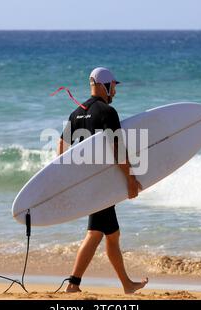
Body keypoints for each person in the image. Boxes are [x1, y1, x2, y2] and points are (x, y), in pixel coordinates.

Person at [57, 67, 149, 294]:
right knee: (96, 233)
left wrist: (68, 179)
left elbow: (61, 149)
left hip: (89, 183)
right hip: (103, 184)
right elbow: (117, 147)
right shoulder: (108, 111)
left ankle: (126, 284)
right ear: (104, 85)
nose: (114, 92)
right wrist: (130, 179)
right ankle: (73, 284)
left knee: (111, 234)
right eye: (113, 87)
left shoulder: (76, 113)